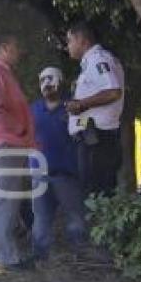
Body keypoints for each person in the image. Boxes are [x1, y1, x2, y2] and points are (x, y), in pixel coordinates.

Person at [0, 34, 36, 270]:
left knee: (10, 201)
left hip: (11, 144)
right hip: (4, 143)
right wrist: (19, 127)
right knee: (6, 201)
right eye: (17, 47)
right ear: (3, 47)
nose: (21, 51)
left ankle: (11, 253)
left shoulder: (4, 72)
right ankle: (7, 257)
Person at [29, 67, 89, 263]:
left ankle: (81, 257)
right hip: (39, 175)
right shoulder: (33, 109)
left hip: (66, 174)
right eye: (42, 80)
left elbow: (83, 138)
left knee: (76, 218)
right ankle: (40, 260)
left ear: (60, 81)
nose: (46, 83)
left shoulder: (73, 108)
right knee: (41, 219)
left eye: (50, 78)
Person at [64, 21, 125, 197]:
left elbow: (113, 91)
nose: (67, 46)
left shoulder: (98, 59)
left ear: (82, 40)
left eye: (69, 41)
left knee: (95, 197)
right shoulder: (92, 62)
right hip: (94, 139)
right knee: (95, 197)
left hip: (97, 140)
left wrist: (81, 104)